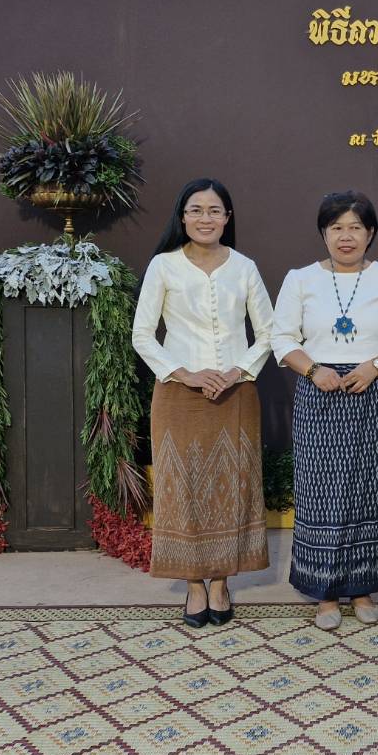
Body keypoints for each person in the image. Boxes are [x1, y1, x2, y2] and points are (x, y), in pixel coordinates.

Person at [131, 178, 275, 628]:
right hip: (178, 393)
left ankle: (221, 581)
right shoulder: (164, 266)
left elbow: (270, 333)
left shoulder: (245, 267)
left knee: (232, 487)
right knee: (183, 488)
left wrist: (236, 370)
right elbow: (142, 335)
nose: (206, 218)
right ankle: (195, 581)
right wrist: (188, 374)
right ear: (182, 217)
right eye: (197, 210)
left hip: (236, 393)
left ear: (227, 218)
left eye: (215, 211)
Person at [271, 191, 378, 631]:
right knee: (320, 495)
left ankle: (363, 588)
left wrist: (374, 367)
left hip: (371, 391)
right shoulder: (300, 279)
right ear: (323, 233)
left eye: (355, 227)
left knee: (367, 491)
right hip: (319, 393)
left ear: (370, 233)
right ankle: (325, 594)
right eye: (336, 228)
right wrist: (313, 370)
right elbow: (281, 338)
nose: (346, 236)